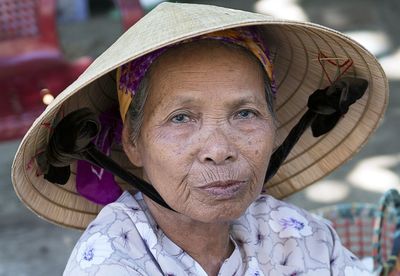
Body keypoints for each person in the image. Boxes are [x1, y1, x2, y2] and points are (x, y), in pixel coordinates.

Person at [11, 2, 388, 275]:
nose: (219, 150)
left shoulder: (300, 236)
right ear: (133, 142)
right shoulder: (113, 262)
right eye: (181, 118)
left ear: (274, 126)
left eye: (245, 114)